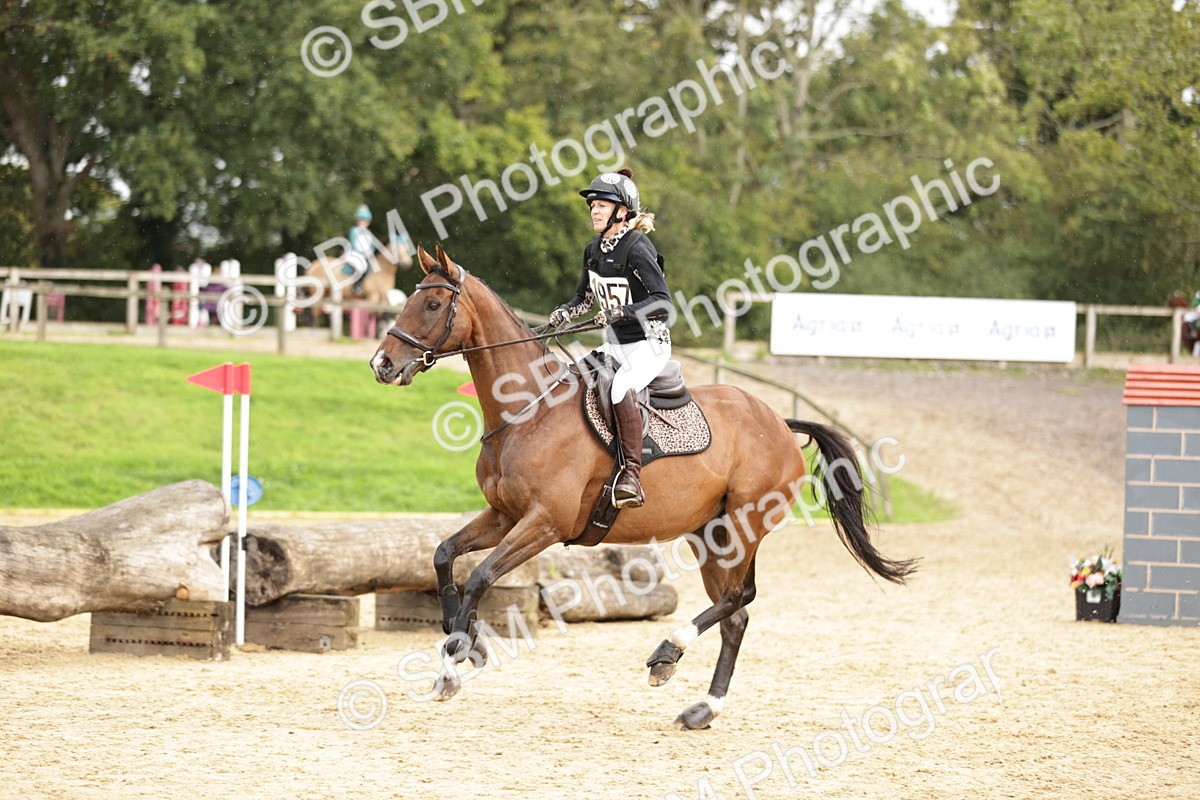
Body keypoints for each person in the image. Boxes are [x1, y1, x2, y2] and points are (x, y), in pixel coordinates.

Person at [548, 167, 673, 508]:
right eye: (592, 206)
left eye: (601, 205)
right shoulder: (594, 250)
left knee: (620, 388)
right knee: (571, 378)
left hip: (649, 343)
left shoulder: (637, 248)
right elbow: (584, 299)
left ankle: (632, 474)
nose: (594, 211)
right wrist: (565, 312)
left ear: (622, 211)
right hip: (616, 345)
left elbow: (663, 303)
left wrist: (620, 313)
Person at [347, 205, 376, 293]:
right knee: (360, 266)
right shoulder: (354, 230)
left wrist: (370, 252)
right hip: (355, 253)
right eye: (361, 220)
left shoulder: (368, 233)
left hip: (366, 254)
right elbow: (354, 244)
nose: (363, 222)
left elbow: (371, 245)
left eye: (365, 221)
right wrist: (363, 252)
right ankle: (356, 286)